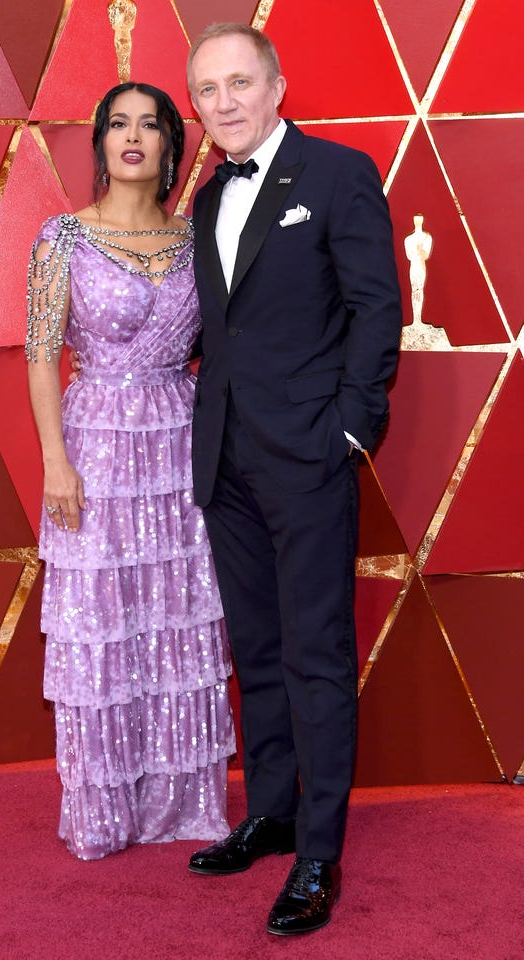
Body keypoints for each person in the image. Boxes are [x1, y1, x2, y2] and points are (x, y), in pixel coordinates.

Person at [184, 23, 402, 936]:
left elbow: (374, 304)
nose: (225, 101)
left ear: (277, 85)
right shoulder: (203, 198)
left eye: (241, 82)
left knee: (316, 655)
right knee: (260, 649)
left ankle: (319, 854)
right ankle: (272, 812)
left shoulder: (338, 172)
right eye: (207, 89)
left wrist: (351, 429)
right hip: (226, 458)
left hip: (310, 455)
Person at [25, 81, 235, 861]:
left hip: (183, 444)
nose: (134, 136)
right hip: (94, 448)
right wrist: (56, 462)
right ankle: (105, 811)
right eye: (119, 124)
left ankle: (182, 805)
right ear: (102, 144)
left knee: (177, 617)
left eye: (152, 124)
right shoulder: (61, 239)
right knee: (100, 623)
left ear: (174, 147)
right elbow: (42, 355)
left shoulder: (195, 238)